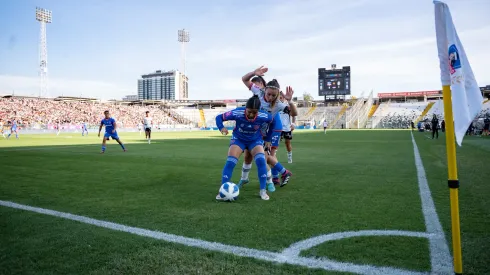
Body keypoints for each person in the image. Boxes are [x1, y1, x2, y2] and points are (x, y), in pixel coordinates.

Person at [237, 66, 296, 189]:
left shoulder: (279, 104)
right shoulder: (258, 92)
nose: (270, 98)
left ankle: (271, 181)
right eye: (269, 94)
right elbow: (244, 79)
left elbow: (293, 113)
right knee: (252, 155)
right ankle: (278, 175)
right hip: (254, 131)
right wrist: (253, 73)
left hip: (266, 133)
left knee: (263, 157)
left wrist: (290, 101)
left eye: (273, 96)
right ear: (265, 90)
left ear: (278, 95)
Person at [215, 95, 277, 201]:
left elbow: (273, 122)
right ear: (245, 109)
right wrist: (222, 127)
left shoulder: (263, 115)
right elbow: (219, 117)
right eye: (249, 112)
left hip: (255, 140)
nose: (252, 114)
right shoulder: (237, 112)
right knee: (230, 162)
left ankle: (263, 191)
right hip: (239, 139)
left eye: (254, 112)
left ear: (258, 111)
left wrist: (268, 138)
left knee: (261, 161)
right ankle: (223, 191)